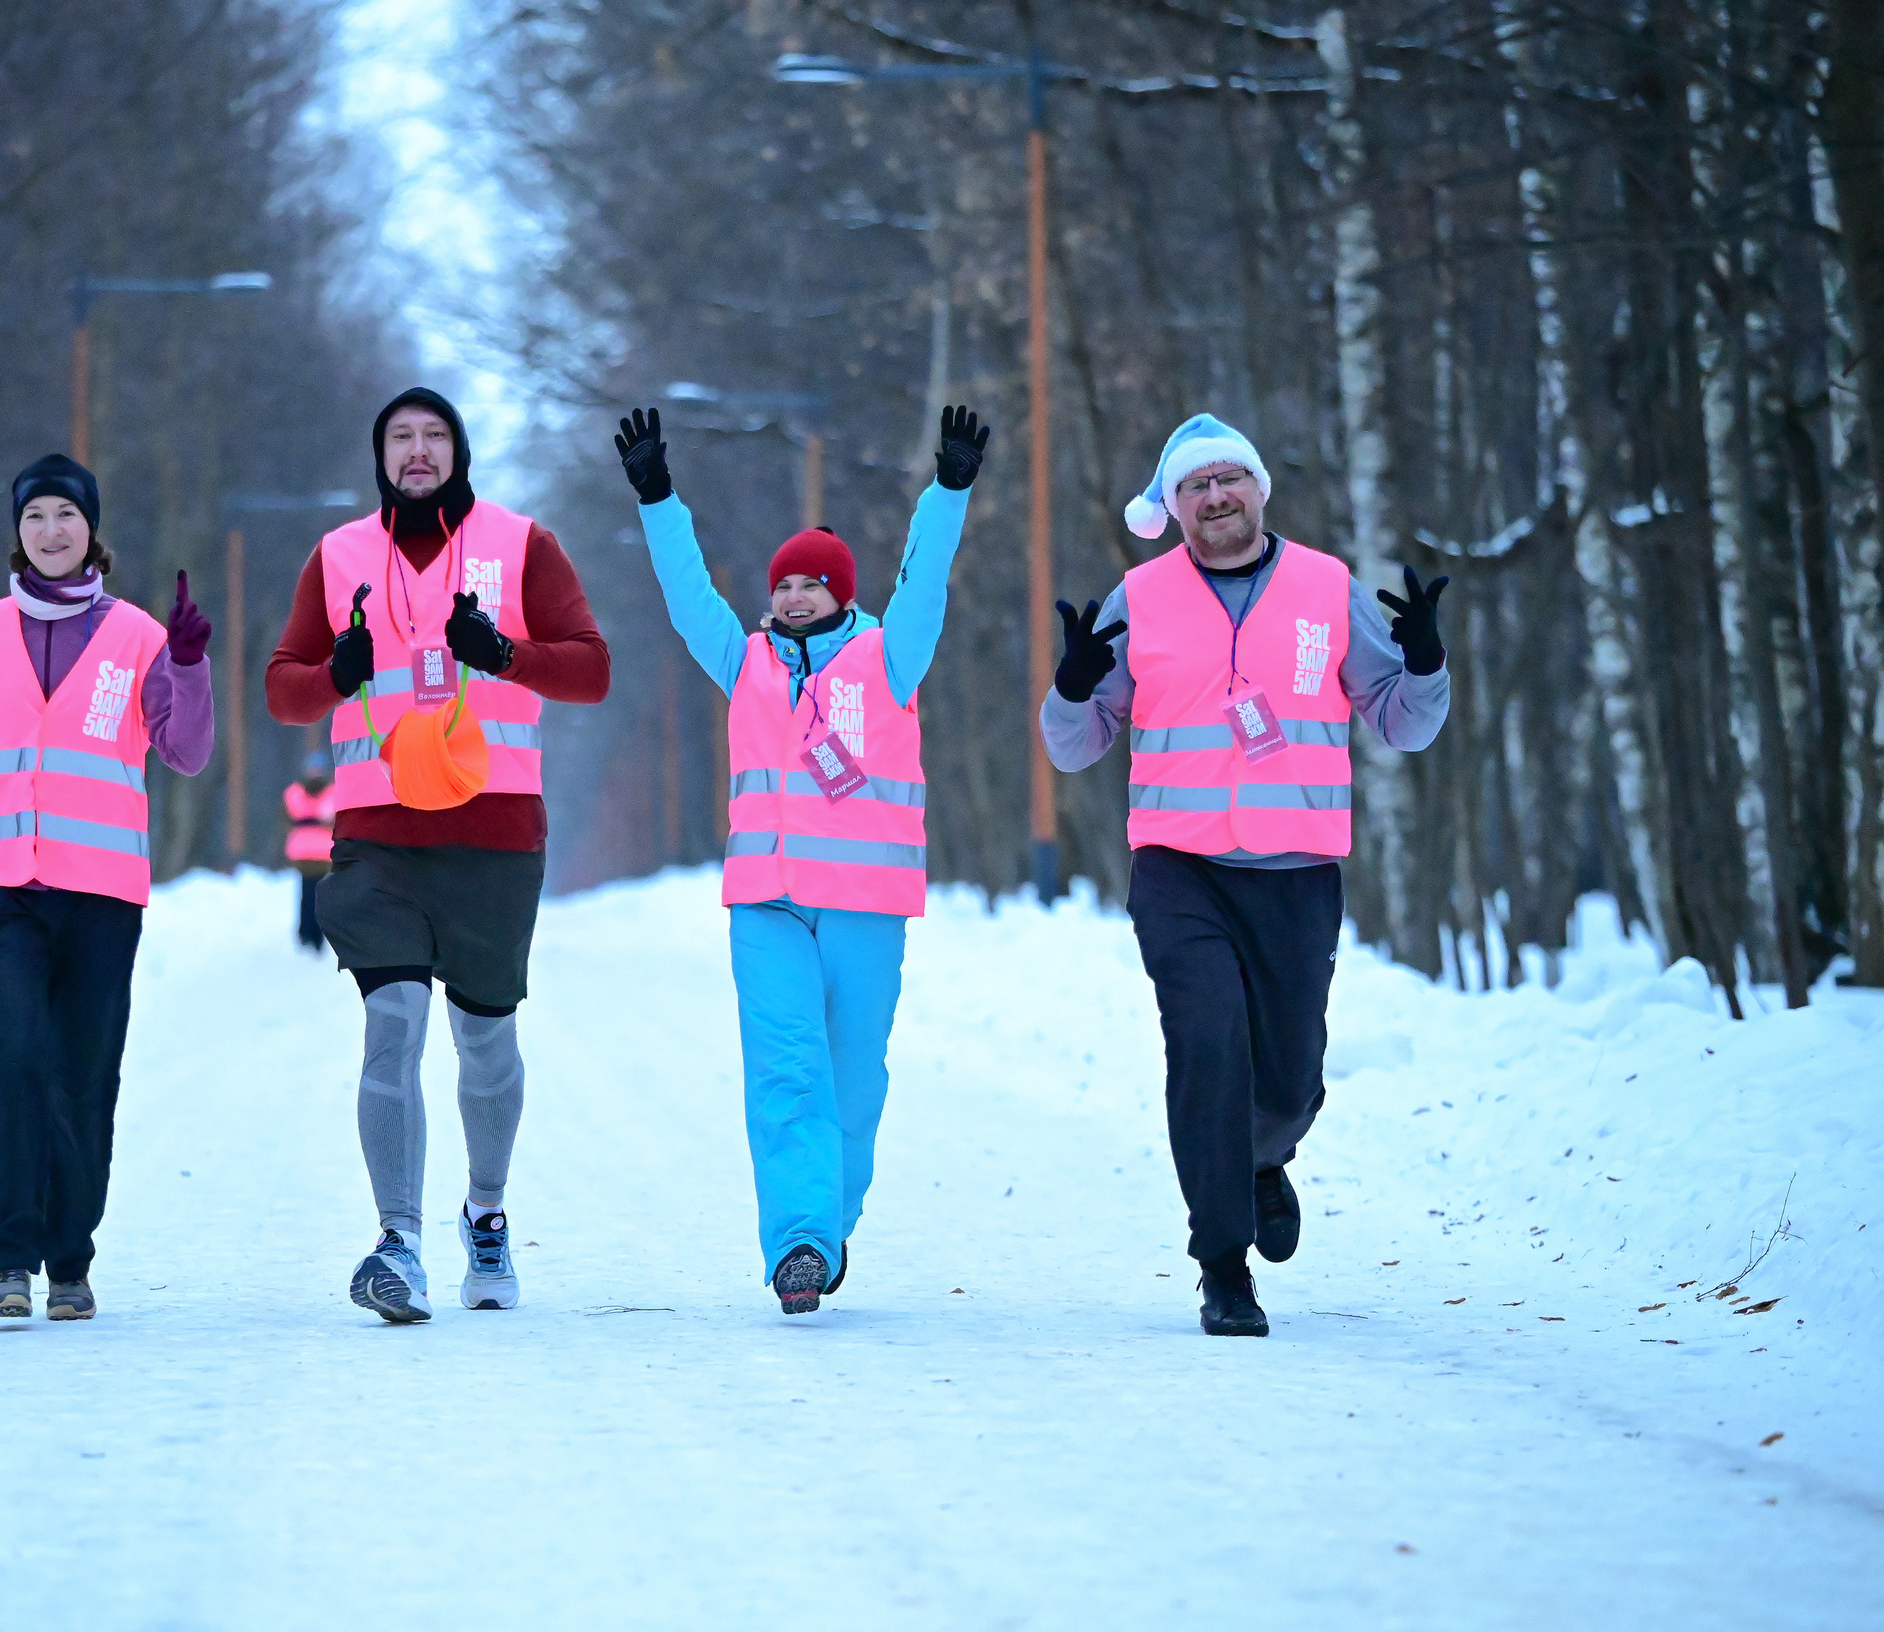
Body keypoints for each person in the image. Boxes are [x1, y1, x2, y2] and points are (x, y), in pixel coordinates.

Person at [1042, 413, 1450, 1337]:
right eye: (1196, 485)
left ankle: (1265, 1160)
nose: (1217, 497)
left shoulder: (1324, 586)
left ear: (1261, 489)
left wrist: (1423, 665)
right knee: (1207, 1046)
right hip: (1180, 866)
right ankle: (1222, 1265)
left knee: (1291, 1075)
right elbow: (1074, 748)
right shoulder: (1137, 598)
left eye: (1231, 479)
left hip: (1297, 870)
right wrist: (1070, 689)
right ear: (1174, 505)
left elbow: (1400, 721)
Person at [618, 402, 987, 1314]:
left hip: (866, 907)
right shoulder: (742, 663)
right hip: (768, 906)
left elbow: (926, 585)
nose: (794, 597)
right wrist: (659, 499)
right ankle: (799, 1245)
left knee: (853, 1083)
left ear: (842, 595)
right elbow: (687, 597)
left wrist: (947, 490)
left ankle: (830, 1220)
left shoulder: (888, 660)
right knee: (786, 1070)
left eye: (812, 586)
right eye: (785, 585)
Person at [265, 388, 610, 1321]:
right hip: (378, 835)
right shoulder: (339, 557)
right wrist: (340, 669)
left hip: (495, 832)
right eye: (399, 439)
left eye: (433, 437)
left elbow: (592, 668)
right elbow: (284, 692)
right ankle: (399, 1240)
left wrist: (502, 653)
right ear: (379, 456)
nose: (417, 453)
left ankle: (486, 1214)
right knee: (394, 1025)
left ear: (459, 450)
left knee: (485, 1040)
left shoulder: (521, 544)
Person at [0, 452, 214, 1323]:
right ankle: (8, 1261)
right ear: (16, 534)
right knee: (17, 1055)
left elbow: (188, 751)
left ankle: (71, 1260)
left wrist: (192, 665)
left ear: (92, 529)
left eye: (66, 514)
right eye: (34, 517)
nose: (51, 531)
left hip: (101, 895)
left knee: (83, 1074)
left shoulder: (136, 636)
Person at [282, 754, 337, 952]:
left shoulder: (294, 792)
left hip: (302, 851)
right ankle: (317, 936)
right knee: (320, 895)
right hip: (324, 851)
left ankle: (305, 934)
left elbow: (287, 818)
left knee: (306, 894)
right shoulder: (333, 792)